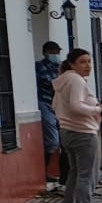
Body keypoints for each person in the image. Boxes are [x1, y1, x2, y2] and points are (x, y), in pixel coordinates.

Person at [53, 49, 102, 203]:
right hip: (83, 133)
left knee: (74, 173)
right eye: (82, 62)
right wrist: (97, 109)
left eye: (89, 61)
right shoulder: (76, 80)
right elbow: (75, 106)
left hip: (67, 132)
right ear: (72, 64)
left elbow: (55, 105)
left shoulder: (63, 81)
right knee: (86, 175)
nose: (88, 66)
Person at [36, 41, 64, 193]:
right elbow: (51, 84)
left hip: (58, 106)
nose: (56, 54)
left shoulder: (60, 68)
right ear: (46, 52)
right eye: (53, 51)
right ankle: (44, 171)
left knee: (64, 140)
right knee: (52, 140)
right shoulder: (40, 67)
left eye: (57, 51)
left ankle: (64, 175)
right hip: (45, 103)